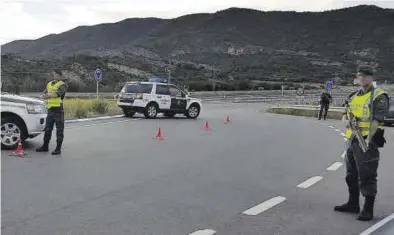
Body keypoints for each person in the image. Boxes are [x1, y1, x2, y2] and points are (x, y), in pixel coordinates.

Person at [334, 66, 389, 221]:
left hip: (366, 141)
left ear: (372, 78)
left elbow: (377, 120)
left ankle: (368, 209)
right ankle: (353, 204)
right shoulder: (353, 96)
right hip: (351, 140)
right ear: (357, 78)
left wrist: (367, 139)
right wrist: (346, 122)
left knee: (367, 175)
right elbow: (345, 114)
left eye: (366, 76)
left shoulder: (379, 96)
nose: (363, 79)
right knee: (351, 175)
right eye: (360, 76)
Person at [36, 69, 68, 155]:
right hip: (50, 110)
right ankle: (45, 146)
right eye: (54, 74)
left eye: (57, 74)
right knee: (47, 129)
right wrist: (47, 95)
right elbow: (44, 94)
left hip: (58, 110)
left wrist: (48, 95)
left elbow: (58, 94)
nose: (55, 76)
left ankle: (58, 149)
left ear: (60, 76)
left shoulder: (63, 85)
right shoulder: (49, 84)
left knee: (59, 131)